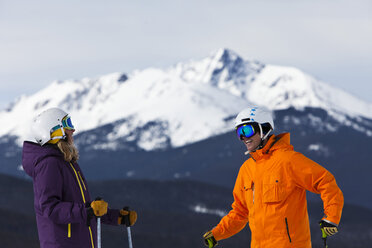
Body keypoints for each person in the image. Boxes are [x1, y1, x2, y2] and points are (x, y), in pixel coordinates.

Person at [203, 106, 344, 248]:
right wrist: (216, 234)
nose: (243, 137)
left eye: (247, 130)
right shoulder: (247, 169)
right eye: (239, 132)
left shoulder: (288, 160)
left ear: (264, 129)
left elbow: (325, 182)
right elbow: (240, 213)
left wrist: (331, 218)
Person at [22, 107, 137, 248]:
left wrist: (116, 217)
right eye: (67, 124)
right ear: (55, 131)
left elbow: (82, 207)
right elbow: (49, 208)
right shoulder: (49, 164)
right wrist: (87, 210)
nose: (72, 130)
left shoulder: (66, 162)